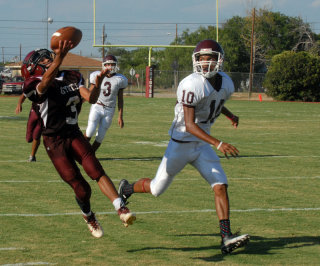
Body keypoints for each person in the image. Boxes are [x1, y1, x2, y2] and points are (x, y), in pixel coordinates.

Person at [118, 39, 249, 254]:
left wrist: (229, 115)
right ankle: (127, 188)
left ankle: (226, 237)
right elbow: (189, 125)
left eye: (211, 58)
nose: (206, 63)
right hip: (182, 144)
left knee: (220, 185)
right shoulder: (191, 83)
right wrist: (219, 143)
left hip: (203, 144)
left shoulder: (226, 82)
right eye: (202, 58)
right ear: (196, 60)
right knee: (157, 189)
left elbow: (214, 101)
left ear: (220, 60)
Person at [21, 42, 136, 238]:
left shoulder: (71, 76)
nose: (49, 60)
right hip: (54, 141)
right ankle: (88, 215)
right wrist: (60, 57)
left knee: (95, 169)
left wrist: (97, 85)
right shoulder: (33, 83)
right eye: (45, 60)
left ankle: (121, 208)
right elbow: (46, 83)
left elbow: (90, 98)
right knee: (81, 188)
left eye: (50, 57)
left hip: (73, 133)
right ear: (34, 68)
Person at [85, 55, 128, 151]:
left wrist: (120, 116)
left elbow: (120, 99)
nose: (110, 66)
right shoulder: (96, 75)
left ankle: (90, 155)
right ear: (104, 65)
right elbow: (89, 93)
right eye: (108, 64)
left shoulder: (120, 79)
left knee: (100, 136)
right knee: (90, 131)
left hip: (110, 109)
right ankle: (79, 152)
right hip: (97, 106)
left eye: (112, 64)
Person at [15, 94, 42, 162]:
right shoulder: (34, 85)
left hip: (44, 113)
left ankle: (32, 156)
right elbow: (24, 95)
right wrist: (19, 104)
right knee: (29, 138)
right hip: (35, 110)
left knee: (36, 135)